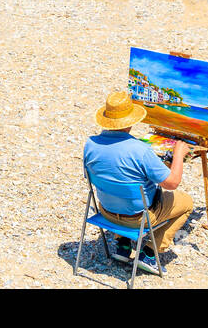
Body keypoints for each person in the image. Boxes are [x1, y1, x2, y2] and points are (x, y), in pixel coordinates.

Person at [83, 91, 195, 273]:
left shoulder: (90, 144)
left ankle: (123, 245)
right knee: (186, 203)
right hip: (138, 219)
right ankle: (150, 252)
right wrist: (179, 155)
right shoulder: (140, 150)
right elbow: (172, 183)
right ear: (131, 121)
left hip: (106, 211)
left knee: (117, 187)